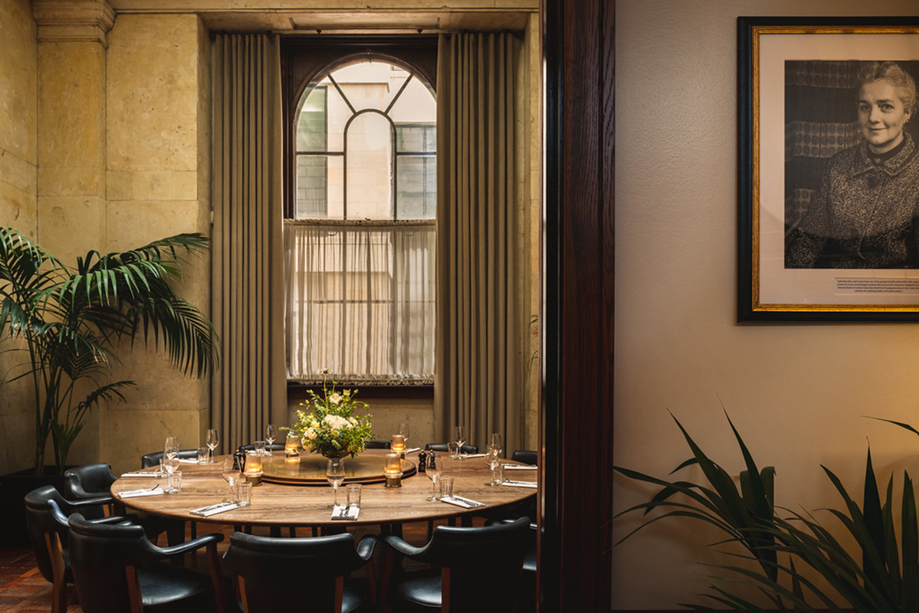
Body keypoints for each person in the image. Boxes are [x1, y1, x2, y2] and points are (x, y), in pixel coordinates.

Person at [786, 61, 919, 269]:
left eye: (886, 107)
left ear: (908, 112)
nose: (873, 118)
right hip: (832, 285)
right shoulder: (837, 166)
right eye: (865, 107)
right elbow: (809, 241)